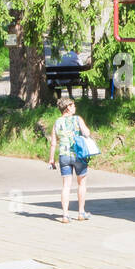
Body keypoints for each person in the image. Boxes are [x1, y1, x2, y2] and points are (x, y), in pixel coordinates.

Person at [48, 95, 94, 223]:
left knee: (66, 186)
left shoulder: (57, 122)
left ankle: (65, 215)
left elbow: (53, 143)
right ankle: (81, 212)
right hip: (78, 155)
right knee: (82, 183)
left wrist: (51, 159)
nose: (75, 107)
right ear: (67, 107)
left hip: (64, 156)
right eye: (73, 105)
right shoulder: (77, 119)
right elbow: (87, 133)